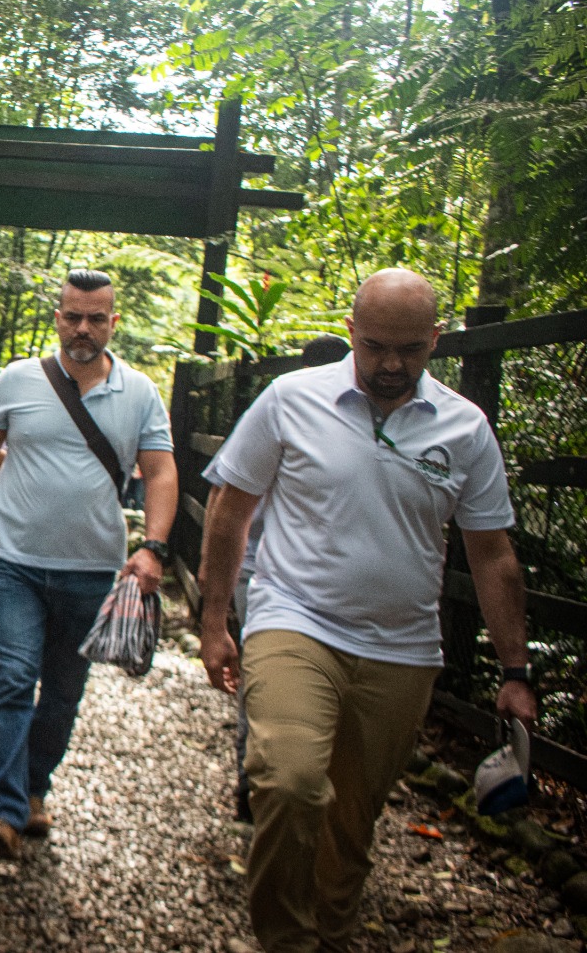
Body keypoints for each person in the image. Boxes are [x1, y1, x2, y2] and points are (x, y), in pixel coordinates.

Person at [197, 269, 536, 952]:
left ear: (435, 340)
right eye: (376, 345)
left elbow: (492, 555)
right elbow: (231, 510)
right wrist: (213, 624)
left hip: (402, 649)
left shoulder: (465, 429)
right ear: (351, 331)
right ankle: (286, 940)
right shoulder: (290, 400)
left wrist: (516, 669)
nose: (390, 364)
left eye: (409, 350)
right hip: (295, 620)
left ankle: (332, 933)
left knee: (349, 826)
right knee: (289, 783)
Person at [0, 268, 177, 861]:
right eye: (73, 316)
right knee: (12, 678)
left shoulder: (139, 392)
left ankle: (35, 788)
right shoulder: (15, 380)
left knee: (62, 691)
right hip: (11, 562)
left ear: (113, 321)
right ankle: (2, 811)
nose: (83, 328)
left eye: (96, 318)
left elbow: (160, 472)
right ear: (57, 316)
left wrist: (152, 546)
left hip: (91, 569)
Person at [201, 333, 349, 822]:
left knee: (256, 676)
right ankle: (258, 781)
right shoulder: (286, 408)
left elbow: (219, 499)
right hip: (259, 572)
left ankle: (261, 779)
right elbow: (227, 500)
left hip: (262, 571)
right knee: (261, 674)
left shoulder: (305, 409)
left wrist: (208, 574)